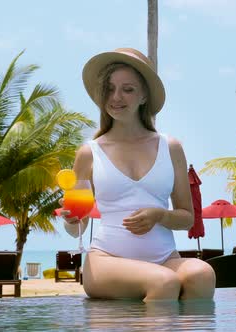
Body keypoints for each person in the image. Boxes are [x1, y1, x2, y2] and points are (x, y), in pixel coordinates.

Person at [60, 48, 215, 302]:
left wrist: (160, 215)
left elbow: (187, 218)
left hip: (165, 260)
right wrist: (72, 217)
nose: (116, 97)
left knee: (203, 273)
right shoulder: (89, 153)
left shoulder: (171, 148)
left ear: (144, 95)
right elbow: (76, 226)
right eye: (109, 89)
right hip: (106, 262)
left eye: (127, 89)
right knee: (162, 281)